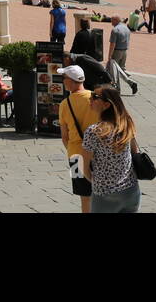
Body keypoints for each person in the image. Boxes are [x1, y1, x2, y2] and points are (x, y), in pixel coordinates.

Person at [82, 86, 141, 213]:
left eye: (95, 97)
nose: (90, 99)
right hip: (130, 190)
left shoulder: (93, 131)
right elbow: (135, 153)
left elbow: (85, 166)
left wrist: (96, 182)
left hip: (105, 194)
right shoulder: (126, 124)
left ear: (106, 105)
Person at [57, 64, 96, 212]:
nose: (63, 81)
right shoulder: (95, 97)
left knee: (84, 196)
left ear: (72, 81)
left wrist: (72, 150)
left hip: (76, 154)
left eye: (64, 78)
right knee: (104, 193)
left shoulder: (64, 104)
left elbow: (64, 137)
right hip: (98, 153)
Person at [106, 15, 139, 95]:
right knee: (121, 70)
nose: (111, 22)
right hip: (124, 51)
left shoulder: (115, 30)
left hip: (117, 52)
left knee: (114, 71)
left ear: (115, 20)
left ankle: (117, 89)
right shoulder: (126, 28)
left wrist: (109, 55)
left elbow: (112, 44)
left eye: (112, 20)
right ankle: (131, 83)